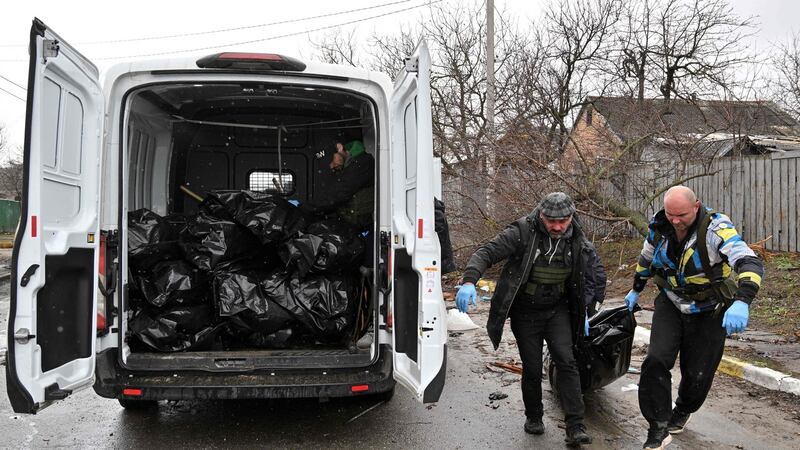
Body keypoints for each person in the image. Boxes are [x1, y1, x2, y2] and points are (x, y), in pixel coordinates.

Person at [456, 192, 603, 446]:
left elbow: (594, 274)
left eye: (563, 221)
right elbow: (487, 252)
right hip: (526, 311)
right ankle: (534, 416)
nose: (557, 227)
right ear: (541, 215)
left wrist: (589, 309)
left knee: (567, 362)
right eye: (551, 221)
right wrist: (469, 280)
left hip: (558, 309)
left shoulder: (577, 238)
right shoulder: (522, 231)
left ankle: (575, 425)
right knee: (532, 367)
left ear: (571, 217)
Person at [624, 185, 764, 450]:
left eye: (682, 215)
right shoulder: (660, 226)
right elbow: (646, 259)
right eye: (670, 214)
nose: (675, 221)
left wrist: (742, 301)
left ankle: (683, 410)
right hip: (671, 302)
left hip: (708, 309)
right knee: (655, 360)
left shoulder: (716, 229)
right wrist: (636, 289)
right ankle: (657, 426)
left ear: (696, 206)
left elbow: (748, 261)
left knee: (698, 373)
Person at [299, 139, 374, 229]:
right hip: (348, 220)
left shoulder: (362, 163)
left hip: (360, 224)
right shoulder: (345, 165)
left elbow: (338, 194)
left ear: (340, 148)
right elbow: (332, 191)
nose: (332, 166)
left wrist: (304, 208)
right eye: (328, 165)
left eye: (331, 160)